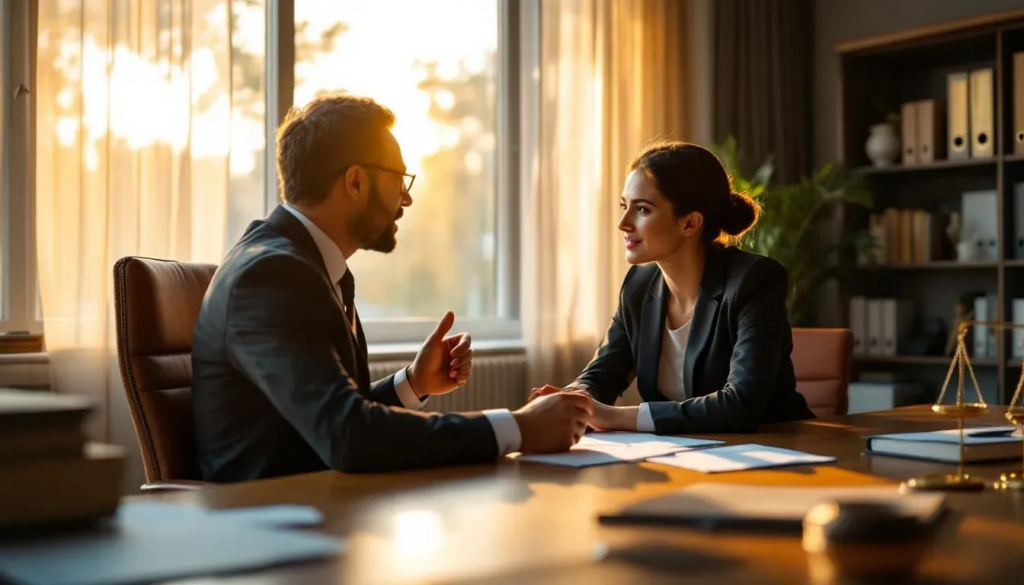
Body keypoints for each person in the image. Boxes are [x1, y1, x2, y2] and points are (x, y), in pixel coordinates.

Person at [191, 95, 592, 482]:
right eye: (399, 179)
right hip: (268, 528)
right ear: (355, 181)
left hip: (317, 505)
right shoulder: (273, 276)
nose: (407, 199)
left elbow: (332, 416)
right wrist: (519, 427)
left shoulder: (310, 267)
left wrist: (413, 383)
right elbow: (348, 435)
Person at [530, 141, 814, 434]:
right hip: (685, 458)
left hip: (776, 455)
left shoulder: (754, 280)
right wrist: (572, 399)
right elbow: (602, 373)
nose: (623, 223)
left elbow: (741, 404)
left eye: (642, 209)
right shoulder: (638, 286)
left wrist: (615, 417)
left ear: (690, 223)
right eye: (624, 206)